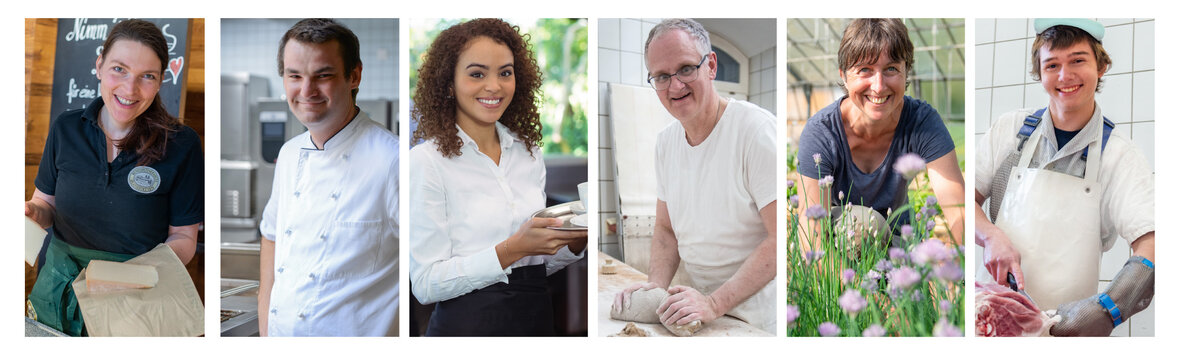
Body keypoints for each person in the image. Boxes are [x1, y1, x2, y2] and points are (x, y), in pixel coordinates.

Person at [408, 18, 588, 337]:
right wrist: (512, 249)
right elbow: (425, 285)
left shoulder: (529, 153)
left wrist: (574, 243)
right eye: (477, 74)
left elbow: (534, 268)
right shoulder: (427, 162)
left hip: (535, 325)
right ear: (448, 83)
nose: (494, 86)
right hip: (466, 330)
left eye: (505, 73)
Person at [975, 18, 1154, 336]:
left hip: (1067, 329)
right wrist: (990, 236)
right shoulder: (1010, 130)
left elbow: (1153, 243)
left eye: (1077, 61)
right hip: (990, 317)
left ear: (1101, 66)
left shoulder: (1119, 155)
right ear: (1040, 73)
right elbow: (964, 199)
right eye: (1052, 64)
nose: (1064, 75)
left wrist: (1107, 309)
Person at [24, 19, 203, 336]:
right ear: (99, 65)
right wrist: (34, 212)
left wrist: (134, 275)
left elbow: (185, 238)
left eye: (146, 76)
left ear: (161, 80)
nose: (130, 89)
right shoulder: (65, 128)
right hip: (56, 290)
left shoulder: (181, 144)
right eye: (119, 69)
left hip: (135, 303)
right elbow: (46, 204)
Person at [613, 18, 777, 334]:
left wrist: (715, 303)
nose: (675, 86)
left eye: (686, 68)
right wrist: (654, 287)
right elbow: (666, 229)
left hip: (759, 319)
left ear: (711, 65)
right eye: (661, 76)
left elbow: (779, 237)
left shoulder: (754, 131)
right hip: (707, 311)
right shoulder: (666, 143)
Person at [257, 18, 399, 337]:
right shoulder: (290, 154)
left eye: (323, 76)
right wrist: (266, 333)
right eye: (294, 76)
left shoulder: (394, 161)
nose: (306, 91)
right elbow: (272, 235)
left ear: (354, 76)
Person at [797, 18, 965, 249]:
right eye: (865, 70)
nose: (878, 86)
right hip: (839, 244)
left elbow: (960, 212)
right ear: (844, 75)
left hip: (899, 244)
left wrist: (949, 271)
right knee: (865, 226)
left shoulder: (922, 122)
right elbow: (811, 235)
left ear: (907, 72)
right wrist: (846, 284)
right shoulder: (822, 132)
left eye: (891, 69)